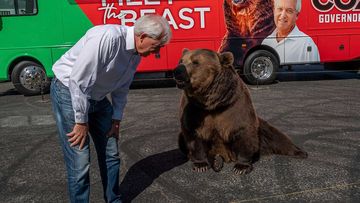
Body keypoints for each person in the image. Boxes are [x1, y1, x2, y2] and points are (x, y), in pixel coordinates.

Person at [50, 14, 171, 203]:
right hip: (69, 91)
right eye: (156, 46)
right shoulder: (108, 38)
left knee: (111, 152)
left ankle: (113, 200)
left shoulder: (135, 55)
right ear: (143, 36)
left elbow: (121, 90)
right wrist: (81, 121)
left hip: (96, 97)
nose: (156, 52)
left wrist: (116, 120)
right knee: (80, 161)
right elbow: (78, 81)